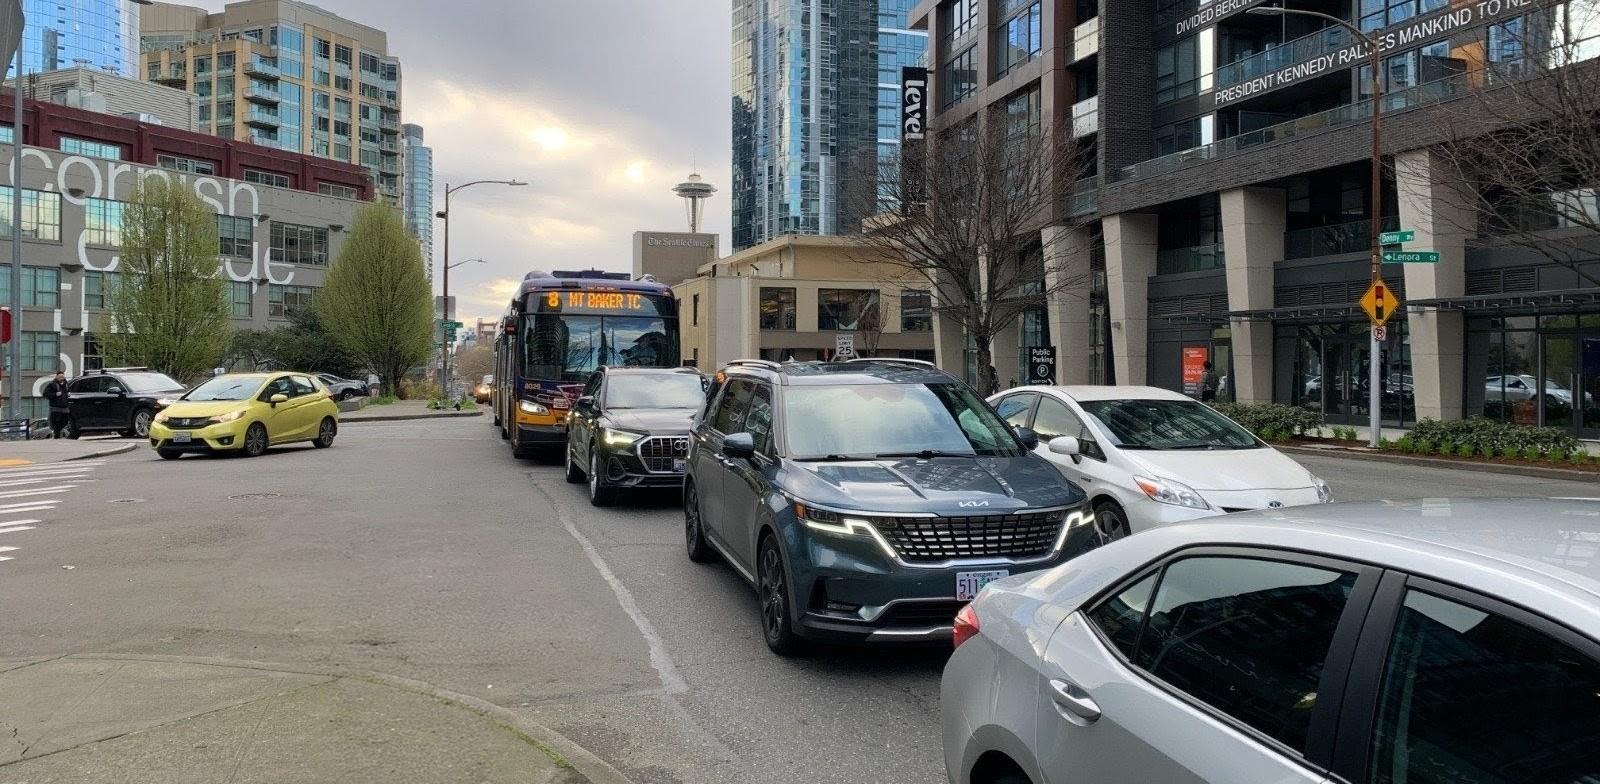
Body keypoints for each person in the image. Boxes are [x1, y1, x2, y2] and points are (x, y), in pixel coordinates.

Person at [43, 370, 71, 438]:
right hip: (55, 407)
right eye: (60, 377)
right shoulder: (52, 384)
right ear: (56, 377)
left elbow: (69, 391)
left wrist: (69, 394)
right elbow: (45, 394)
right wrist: (55, 394)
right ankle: (57, 435)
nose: (61, 378)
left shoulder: (66, 384)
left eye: (62, 377)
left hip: (65, 407)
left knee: (65, 421)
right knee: (56, 421)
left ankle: (58, 432)